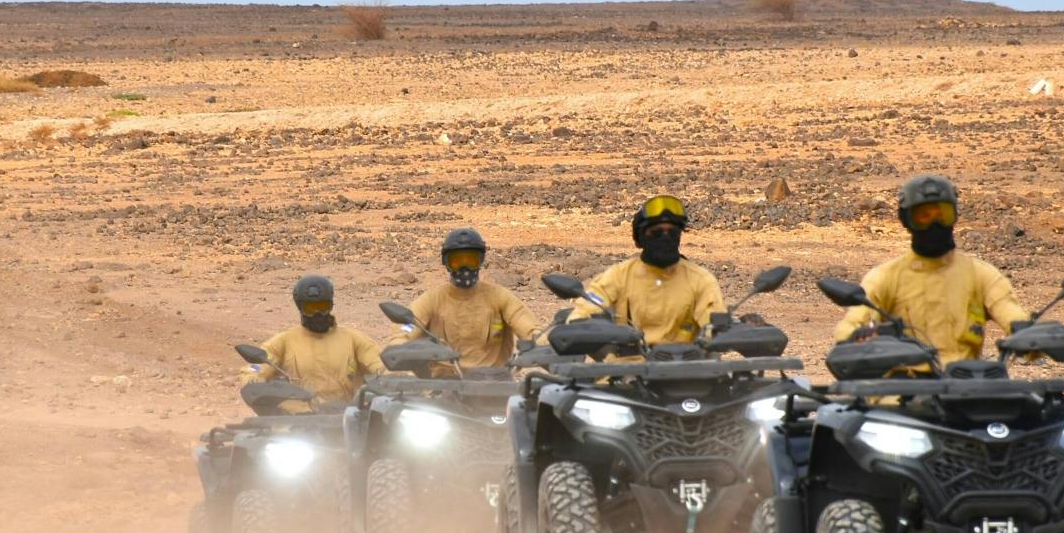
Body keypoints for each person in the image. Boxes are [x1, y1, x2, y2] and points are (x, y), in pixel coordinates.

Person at [832, 174, 1030, 365]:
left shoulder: (981, 275)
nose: (934, 224)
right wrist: (856, 337)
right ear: (906, 220)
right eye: (923, 216)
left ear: (954, 216)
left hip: (966, 387)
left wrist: (1028, 336)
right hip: (902, 389)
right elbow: (851, 325)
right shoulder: (885, 277)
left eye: (942, 214)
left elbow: (1014, 317)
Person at [569, 195, 725, 345]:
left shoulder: (700, 280)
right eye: (656, 233)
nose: (665, 237)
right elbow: (581, 318)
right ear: (640, 238)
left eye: (672, 232)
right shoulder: (617, 277)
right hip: (626, 367)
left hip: (688, 367)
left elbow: (716, 326)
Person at [408, 228, 541, 370]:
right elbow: (406, 328)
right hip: (444, 385)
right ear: (446, 263)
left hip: (495, 384)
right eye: (457, 261)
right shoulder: (431, 300)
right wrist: (399, 344)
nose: (464, 267)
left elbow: (531, 330)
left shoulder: (500, 297)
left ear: (481, 261)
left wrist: (543, 343)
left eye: (471, 260)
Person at [245, 275, 385, 403]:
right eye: (311, 308)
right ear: (300, 308)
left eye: (322, 306)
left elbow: (380, 364)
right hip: (295, 420)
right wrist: (253, 380)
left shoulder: (353, 339)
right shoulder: (284, 341)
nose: (318, 313)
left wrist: (392, 375)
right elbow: (257, 367)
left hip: (346, 417)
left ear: (330, 305)